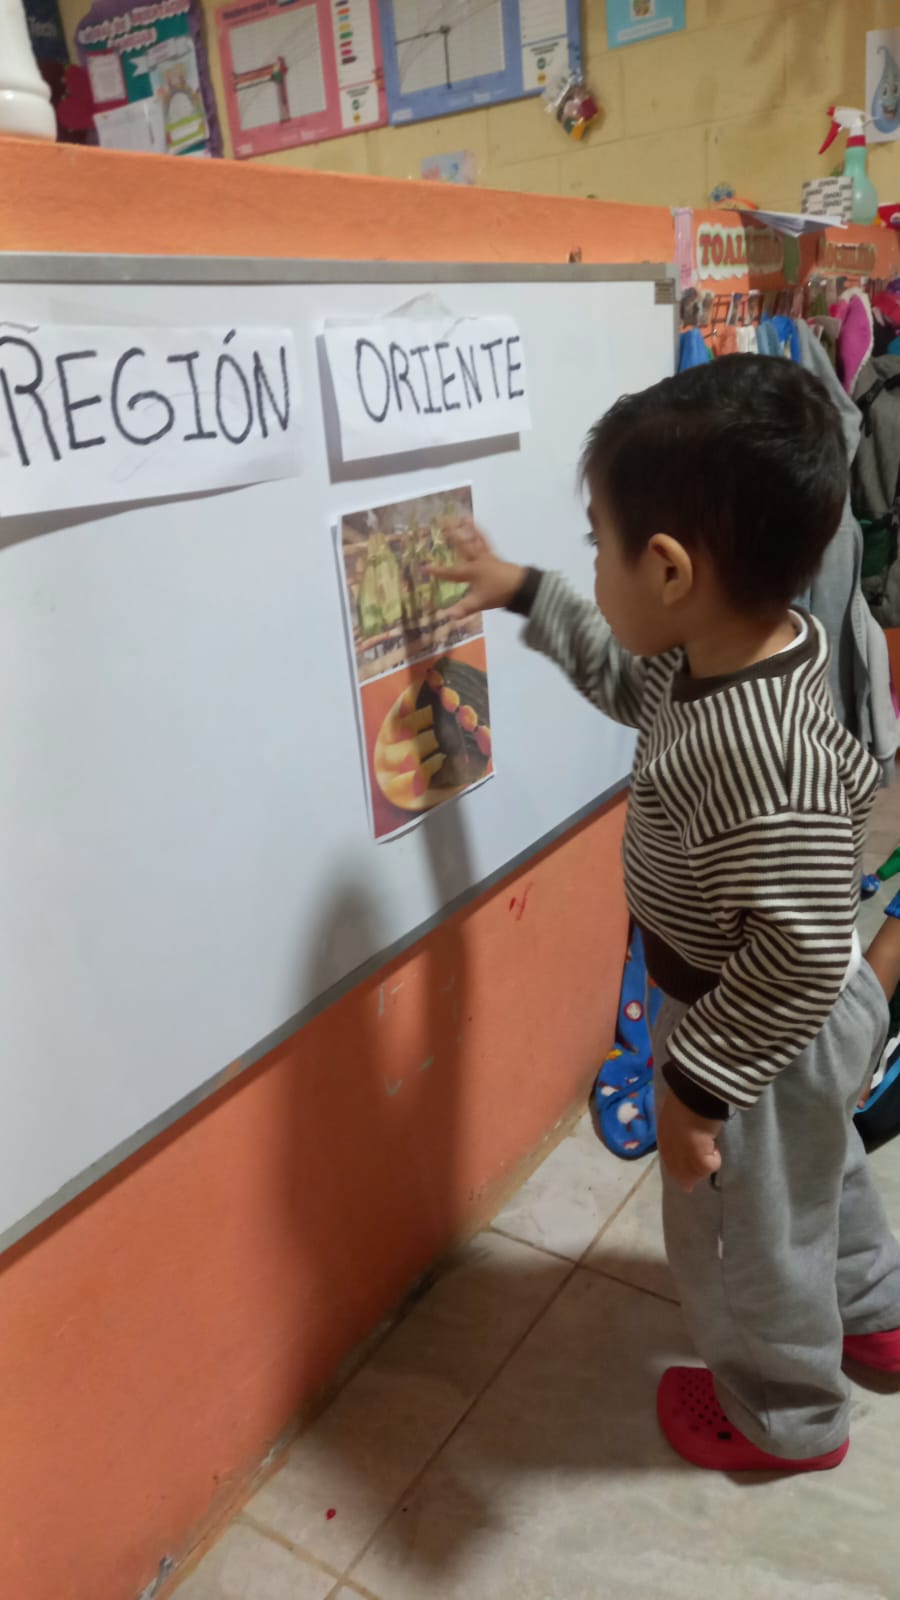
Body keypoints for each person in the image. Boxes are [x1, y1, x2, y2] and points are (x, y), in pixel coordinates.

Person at [432, 355, 900, 1473]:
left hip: (756, 1031)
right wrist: (525, 589)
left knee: (744, 1236)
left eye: (597, 547)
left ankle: (785, 1418)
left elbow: (792, 960)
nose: (593, 568)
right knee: (819, 1179)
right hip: (784, 1013)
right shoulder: (732, 651)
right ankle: (876, 1312)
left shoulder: (757, 751)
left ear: (672, 569)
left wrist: (696, 1089)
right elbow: (618, 672)